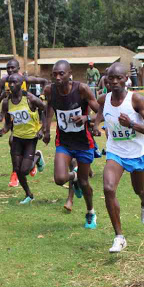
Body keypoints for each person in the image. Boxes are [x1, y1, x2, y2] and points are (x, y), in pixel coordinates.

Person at [93, 62, 144, 252]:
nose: (114, 82)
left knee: (138, 189)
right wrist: (95, 125)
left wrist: (131, 125)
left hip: (137, 152)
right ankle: (119, 237)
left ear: (126, 78)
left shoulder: (136, 100)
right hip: (115, 151)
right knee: (108, 188)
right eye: (110, 78)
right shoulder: (103, 99)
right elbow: (100, 114)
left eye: (118, 78)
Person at [44, 60, 100, 228]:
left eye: (61, 73)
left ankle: (90, 212)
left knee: (84, 183)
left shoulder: (81, 89)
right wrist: (46, 130)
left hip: (84, 142)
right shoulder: (50, 90)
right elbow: (48, 108)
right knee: (60, 178)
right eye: (55, 74)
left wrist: (86, 118)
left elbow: (99, 110)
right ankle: (72, 176)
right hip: (64, 142)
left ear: (70, 73)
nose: (58, 77)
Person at [0, 58, 48, 187]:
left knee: (15, 143)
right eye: (8, 68)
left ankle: (31, 161)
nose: (10, 70)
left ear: (19, 69)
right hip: (13, 114)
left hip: (28, 114)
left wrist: (43, 97)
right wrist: (3, 96)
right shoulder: (4, 81)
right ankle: (16, 172)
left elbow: (44, 81)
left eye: (13, 68)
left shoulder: (25, 80)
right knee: (13, 143)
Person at [0, 73, 46, 204]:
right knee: (17, 169)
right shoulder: (7, 102)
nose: (12, 85)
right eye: (10, 82)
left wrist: (42, 129)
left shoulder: (30, 99)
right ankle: (29, 195)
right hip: (17, 138)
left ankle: (37, 156)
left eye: (15, 82)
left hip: (31, 137)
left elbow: (44, 109)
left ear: (21, 84)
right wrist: (4, 130)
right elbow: (8, 123)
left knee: (24, 170)